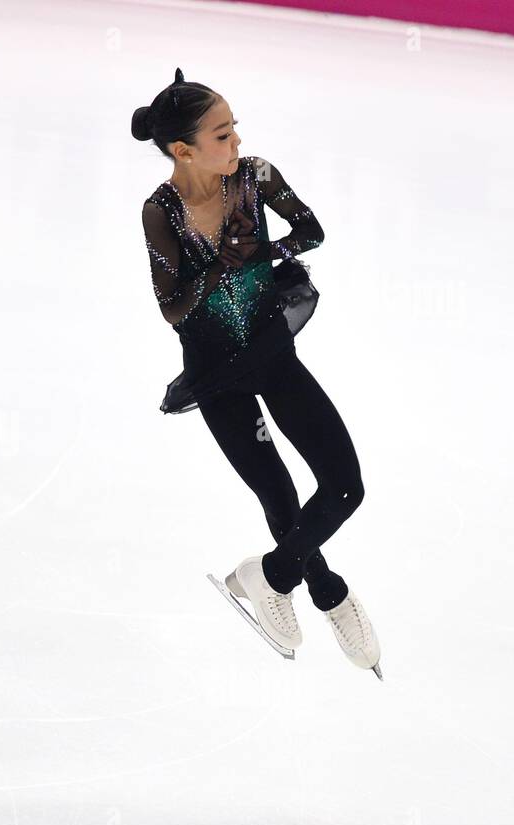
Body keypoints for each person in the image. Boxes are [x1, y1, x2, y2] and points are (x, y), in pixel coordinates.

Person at [132, 68, 381, 677]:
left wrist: (268, 251)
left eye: (236, 129)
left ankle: (267, 576)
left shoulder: (255, 177)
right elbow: (171, 307)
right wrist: (221, 264)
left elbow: (311, 232)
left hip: (274, 356)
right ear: (184, 149)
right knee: (280, 495)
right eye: (223, 135)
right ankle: (331, 595)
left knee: (345, 487)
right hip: (217, 376)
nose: (237, 143)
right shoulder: (160, 211)